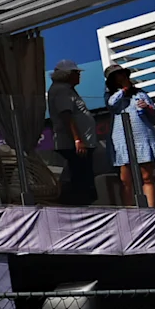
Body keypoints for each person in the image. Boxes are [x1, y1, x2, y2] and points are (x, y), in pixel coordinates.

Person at [107, 64, 155, 208]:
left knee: (147, 177)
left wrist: (148, 108)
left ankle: (151, 211)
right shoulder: (111, 95)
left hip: (143, 137)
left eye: (123, 75)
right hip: (123, 140)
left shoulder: (140, 94)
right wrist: (124, 90)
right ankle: (130, 210)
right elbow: (111, 104)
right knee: (125, 179)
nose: (122, 78)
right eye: (118, 76)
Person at [48, 64, 99, 206]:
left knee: (82, 175)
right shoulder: (62, 90)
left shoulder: (66, 90)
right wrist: (77, 139)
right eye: (76, 73)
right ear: (67, 74)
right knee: (79, 177)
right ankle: (80, 205)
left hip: (80, 143)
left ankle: (83, 202)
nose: (79, 75)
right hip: (74, 144)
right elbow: (66, 114)